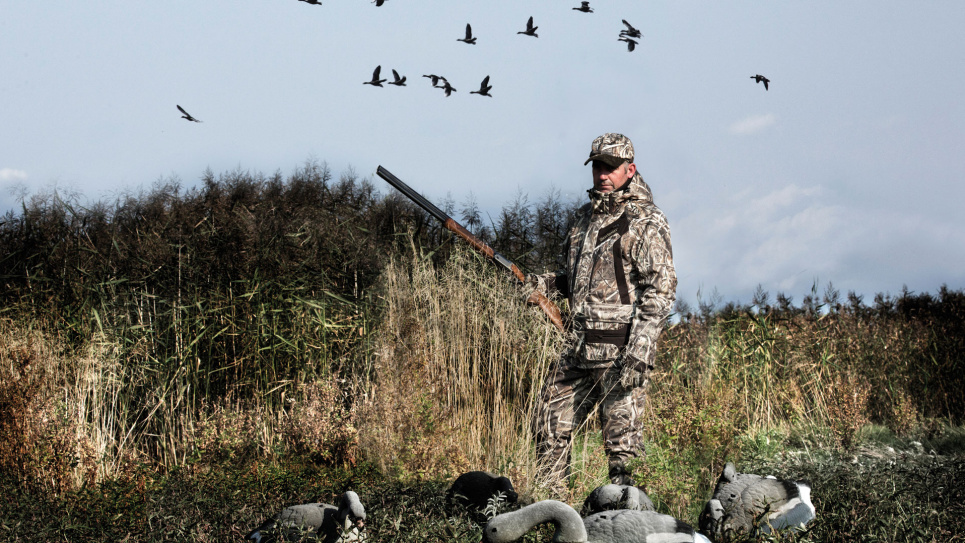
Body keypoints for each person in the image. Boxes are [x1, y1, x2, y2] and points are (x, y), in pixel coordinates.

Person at [528, 133, 677, 492]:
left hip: (620, 354)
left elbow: (661, 288)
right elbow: (576, 279)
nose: (602, 175)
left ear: (630, 169)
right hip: (577, 348)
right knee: (547, 426)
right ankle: (556, 515)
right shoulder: (582, 220)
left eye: (610, 167)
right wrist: (542, 284)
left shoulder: (646, 220)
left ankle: (625, 524)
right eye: (597, 166)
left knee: (622, 454)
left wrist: (641, 349)